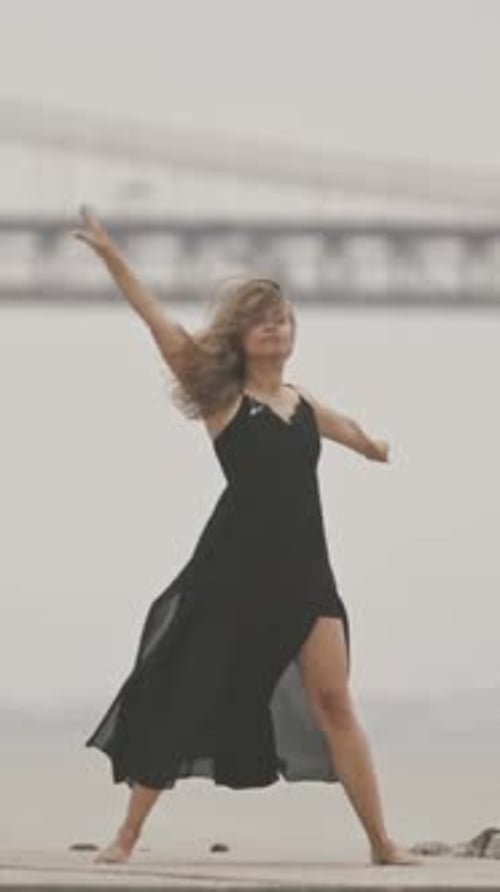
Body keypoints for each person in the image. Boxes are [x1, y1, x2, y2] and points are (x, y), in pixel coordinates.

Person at [72, 206, 421, 868]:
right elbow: (160, 326)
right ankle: (125, 837)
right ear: (241, 335)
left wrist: (373, 445)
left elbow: (344, 428)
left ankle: (382, 843)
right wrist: (113, 257)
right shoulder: (224, 399)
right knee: (185, 691)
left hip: (306, 575)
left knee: (334, 702)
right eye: (262, 319)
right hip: (231, 573)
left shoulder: (302, 403)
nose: (275, 326)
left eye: (283, 319)